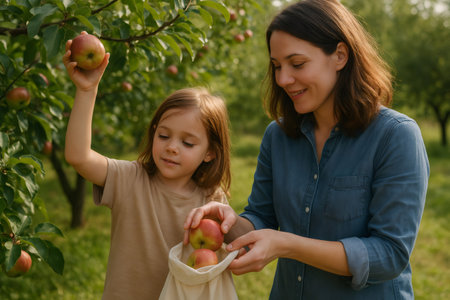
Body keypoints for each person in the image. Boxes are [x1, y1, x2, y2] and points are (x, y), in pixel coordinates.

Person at [184, 0, 429, 299]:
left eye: (297, 64)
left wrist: (288, 244)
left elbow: (389, 254)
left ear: (340, 55)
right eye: (276, 66)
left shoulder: (395, 136)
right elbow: (262, 216)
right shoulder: (278, 135)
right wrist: (229, 223)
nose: (283, 79)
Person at [63, 32, 232, 299]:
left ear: (210, 152)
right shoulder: (129, 179)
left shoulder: (211, 200)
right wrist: (87, 90)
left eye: (188, 143)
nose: (171, 147)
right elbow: (78, 156)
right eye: (163, 135)